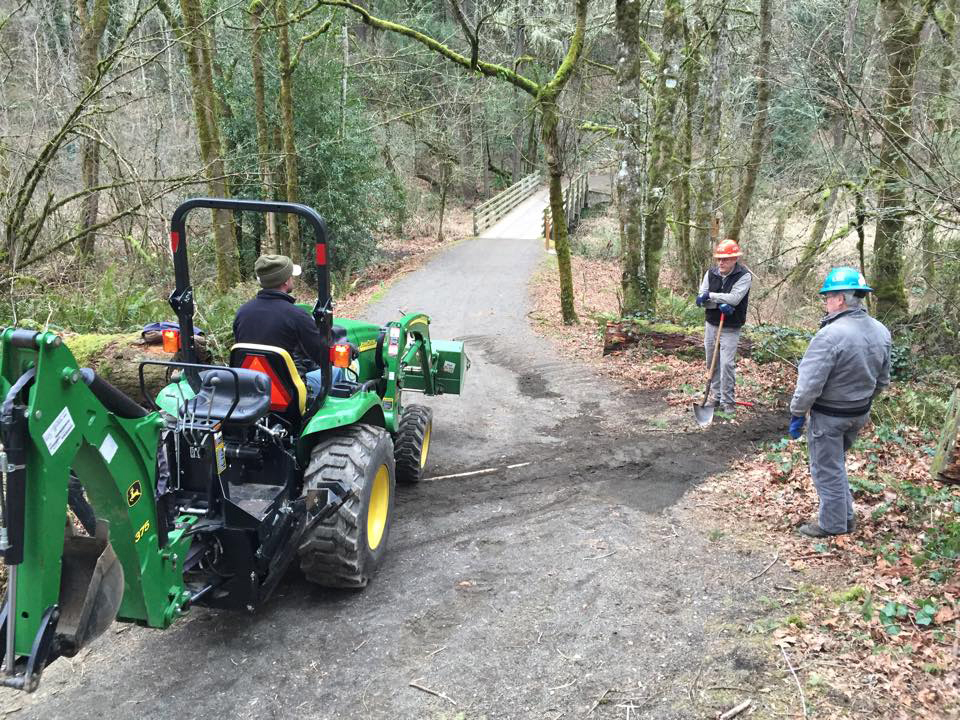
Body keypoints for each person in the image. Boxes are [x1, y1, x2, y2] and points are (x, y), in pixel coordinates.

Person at [787, 267, 892, 538]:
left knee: (826, 470)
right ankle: (845, 518)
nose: (826, 302)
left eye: (828, 297)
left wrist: (797, 412)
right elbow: (882, 381)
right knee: (835, 465)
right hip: (859, 413)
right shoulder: (881, 331)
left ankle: (832, 525)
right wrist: (863, 402)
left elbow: (809, 384)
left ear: (840, 300)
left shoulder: (830, 336)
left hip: (830, 417)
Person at [233, 254, 330, 397]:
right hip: (290, 394)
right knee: (340, 371)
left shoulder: (242, 312)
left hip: (252, 390)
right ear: (285, 281)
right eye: (291, 275)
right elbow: (322, 357)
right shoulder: (297, 315)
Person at [695, 239, 753, 414]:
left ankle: (728, 401)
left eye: (725, 259)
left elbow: (735, 298)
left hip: (731, 326)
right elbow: (701, 296)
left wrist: (711, 296)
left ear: (735, 259)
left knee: (726, 363)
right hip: (711, 323)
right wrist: (711, 302)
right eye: (719, 259)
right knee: (711, 362)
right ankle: (716, 396)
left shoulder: (744, 275)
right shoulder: (710, 273)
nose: (721, 262)